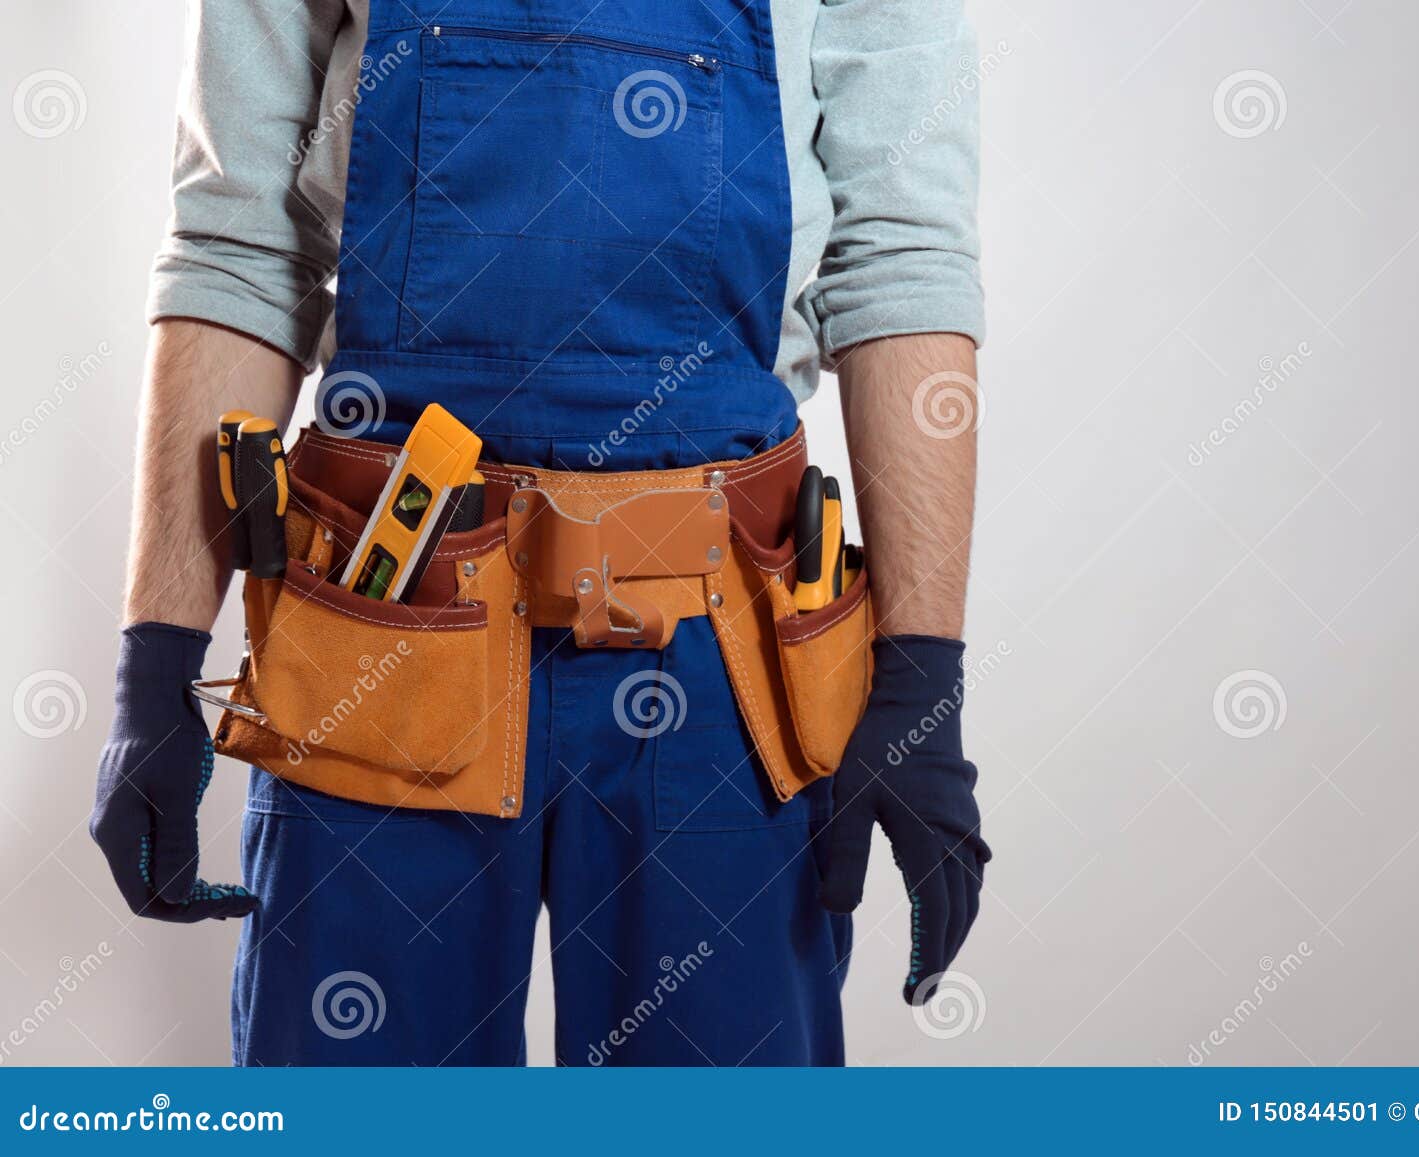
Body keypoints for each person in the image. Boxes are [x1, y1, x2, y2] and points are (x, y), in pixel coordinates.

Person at [92, 0, 990, 1066]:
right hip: (384, 632)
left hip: (725, 663)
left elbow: (899, 261)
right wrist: (156, 663)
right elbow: (235, 251)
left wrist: (921, 680)